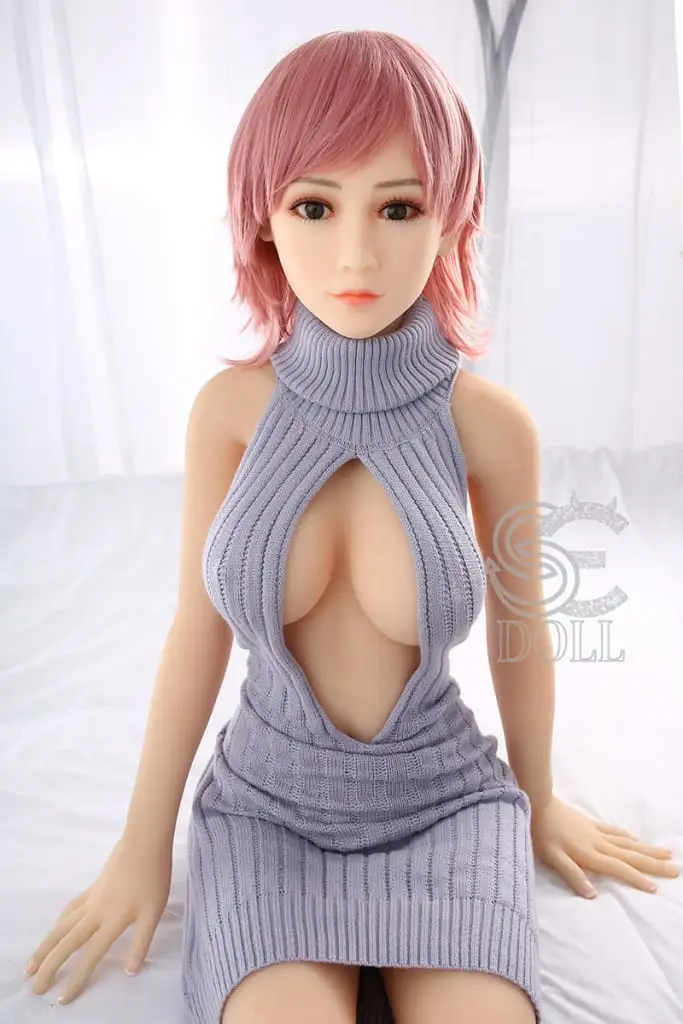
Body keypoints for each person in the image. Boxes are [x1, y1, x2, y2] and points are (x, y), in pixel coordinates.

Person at [24, 28, 679, 1024]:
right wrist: (140, 841)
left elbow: (520, 627)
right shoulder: (228, 414)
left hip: (444, 808)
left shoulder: (490, 427)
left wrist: (540, 797)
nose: (355, 254)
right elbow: (196, 631)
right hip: (267, 814)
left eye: (398, 207)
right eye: (314, 206)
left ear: (452, 220)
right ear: (263, 218)